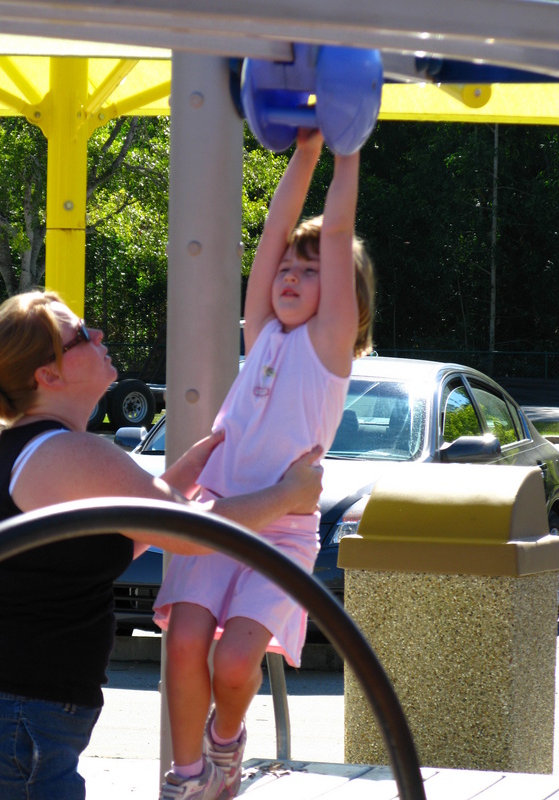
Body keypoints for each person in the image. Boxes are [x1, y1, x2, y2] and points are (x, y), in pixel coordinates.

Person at [0, 290, 324, 800]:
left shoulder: (32, 447)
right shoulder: (67, 451)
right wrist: (290, 495)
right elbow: (193, 533)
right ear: (49, 375)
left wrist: (182, 478)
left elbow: (104, 549)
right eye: (82, 335)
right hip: (18, 714)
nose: (100, 335)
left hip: (10, 710)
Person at [153, 129, 375, 800]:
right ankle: (188, 776)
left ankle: (226, 743)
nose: (290, 275)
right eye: (286, 268)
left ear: (344, 301)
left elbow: (334, 236)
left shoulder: (328, 346)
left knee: (235, 658)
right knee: (186, 641)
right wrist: (301, 156)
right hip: (217, 513)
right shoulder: (263, 333)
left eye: (310, 273)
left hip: (281, 529)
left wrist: (345, 153)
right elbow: (274, 235)